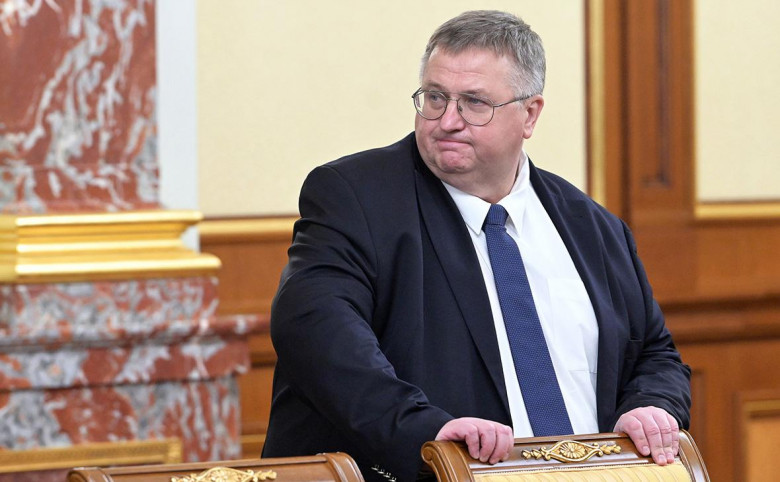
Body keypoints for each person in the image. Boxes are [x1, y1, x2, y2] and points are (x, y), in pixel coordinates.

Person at [262, 10, 691, 482]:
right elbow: (315, 330)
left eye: (474, 103)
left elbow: (654, 352)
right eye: (435, 97)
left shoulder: (592, 226)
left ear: (529, 114)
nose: (448, 121)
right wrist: (427, 432)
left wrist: (652, 406)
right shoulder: (356, 197)